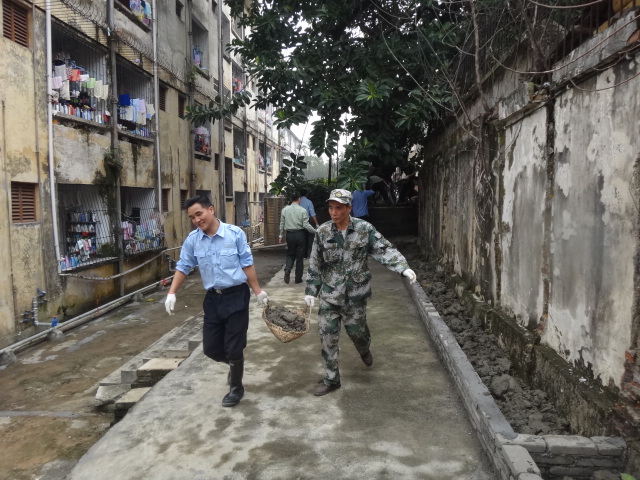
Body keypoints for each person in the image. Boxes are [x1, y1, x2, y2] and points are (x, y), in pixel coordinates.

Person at [303, 189, 417, 396]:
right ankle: (331, 379)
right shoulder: (323, 232)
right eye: (331, 208)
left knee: (358, 334)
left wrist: (402, 267)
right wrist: (311, 290)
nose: (333, 212)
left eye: (338, 208)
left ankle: (364, 349)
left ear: (349, 208)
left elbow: (384, 249)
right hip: (330, 294)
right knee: (327, 338)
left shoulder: (364, 229)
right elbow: (315, 263)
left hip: (355, 295)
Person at [164, 195, 269, 407]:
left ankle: (236, 387)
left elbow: (247, 264)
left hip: (237, 295)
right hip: (213, 298)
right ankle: (235, 365)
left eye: (199, 214)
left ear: (211, 210)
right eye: (192, 217)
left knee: (234, 347)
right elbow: (184, 266)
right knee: (211, 348)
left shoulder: (234, 234)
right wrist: (172, 292)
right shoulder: (193, 240)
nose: (196, 220)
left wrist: (258, 291)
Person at [279, 192, 317, 284]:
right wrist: (316, 232)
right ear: (299, 199)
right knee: (299, 257)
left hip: (289, 235)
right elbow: (306, 225)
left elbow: (282, 224)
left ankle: (287, 269)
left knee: (290, 254)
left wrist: (280, 235)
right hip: (300, 235)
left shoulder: (285, 210)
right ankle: (298, 278)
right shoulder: (302, 210)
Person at [299, 188, 320, 257]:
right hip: (306, 221)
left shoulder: (297, 201)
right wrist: (316, 223)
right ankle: (305, 255)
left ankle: (298, 254)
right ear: (307, 194)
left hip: (297, 221)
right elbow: (312, 213)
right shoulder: (309, 202)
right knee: (306, 237)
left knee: (298, 237)